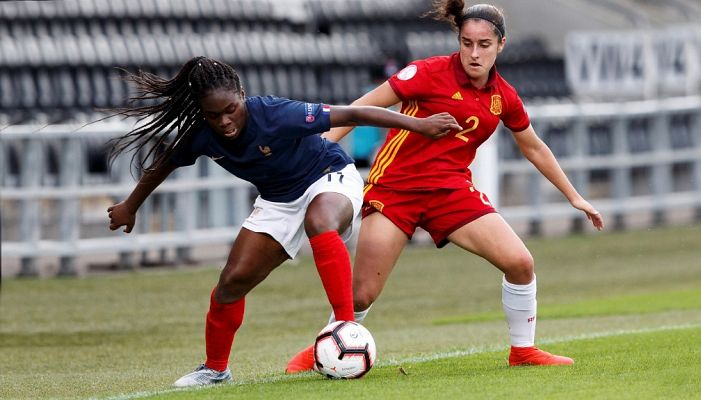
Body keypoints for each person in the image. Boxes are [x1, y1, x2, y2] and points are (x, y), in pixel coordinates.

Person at [286, 0, 605, 373]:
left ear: (501, 45)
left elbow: (533, 146)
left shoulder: (505, 97)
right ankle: (321, 351)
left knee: (520, 263)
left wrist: (575, 196)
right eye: (466, 42)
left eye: (484, 44)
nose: (473, 52)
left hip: (451, 192)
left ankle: (523, 351)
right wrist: (318, 155)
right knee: (361, 295)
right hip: (396, 189)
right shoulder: (427, 72)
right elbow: (360, 108)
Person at [106, 56, 461, 387]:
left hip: (328, 175)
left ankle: (345, 327)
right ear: (203, 113)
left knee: (320, 220)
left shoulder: (275, 114)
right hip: (278, 200)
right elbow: (164, 162)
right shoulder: (201, 134)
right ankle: (215, 370)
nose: (225, 121)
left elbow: (355, 114)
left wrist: (419, 125)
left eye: (231, 109)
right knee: (232, 282)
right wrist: (130, 205)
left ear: (242, 96)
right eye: (215, 115)